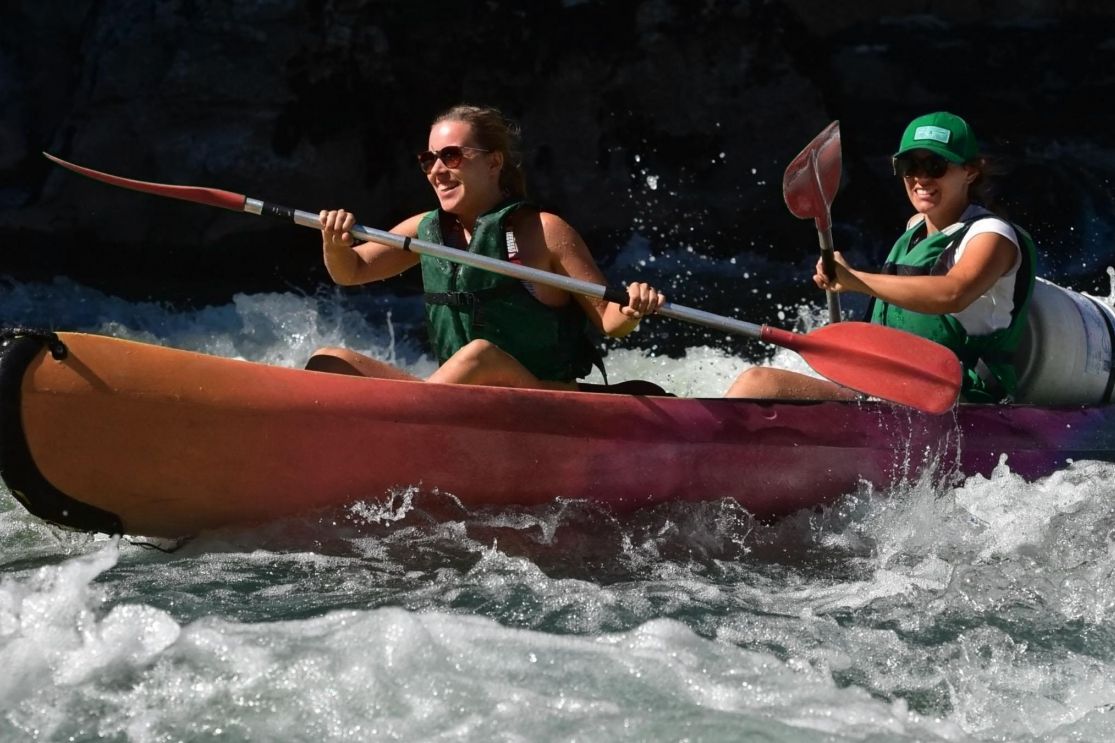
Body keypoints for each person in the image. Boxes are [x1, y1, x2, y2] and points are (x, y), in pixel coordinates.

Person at [309, 104, 665, 391]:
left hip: (544, 404)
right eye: (428, 160)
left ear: (493, 162)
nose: (436, 171)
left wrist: (633, 307)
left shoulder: (543, 231)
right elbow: (351, 271)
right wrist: (335, 243)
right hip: (459, 401)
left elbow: (608, 319)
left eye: (451, 156)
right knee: (330, 360)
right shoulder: (424, 230)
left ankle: (410, 426)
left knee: (479, 356)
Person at [727, 111, 1037, 403]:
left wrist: (855, 280)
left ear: (970, 171)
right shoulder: (915, 229)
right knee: (757, 383)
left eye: (935, 166)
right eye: (909, 166)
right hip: (895, 388)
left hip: (961, 399)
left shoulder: (992, 235)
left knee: (759, 384)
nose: (921, 178)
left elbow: (953, 293)